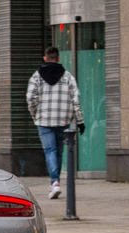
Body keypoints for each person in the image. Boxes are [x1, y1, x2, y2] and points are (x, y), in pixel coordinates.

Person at [27, 46, 85, 199]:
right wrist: (79, 121)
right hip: (63, 120)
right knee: (59, 152)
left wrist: (36, 115)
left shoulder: (36, 77)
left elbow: (30, 98)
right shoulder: (67, 77)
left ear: (45, 58)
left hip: (44, 120)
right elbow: (76, 100)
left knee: (50, 151)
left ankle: (55, 182)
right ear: (58, 59)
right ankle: (55, 182)